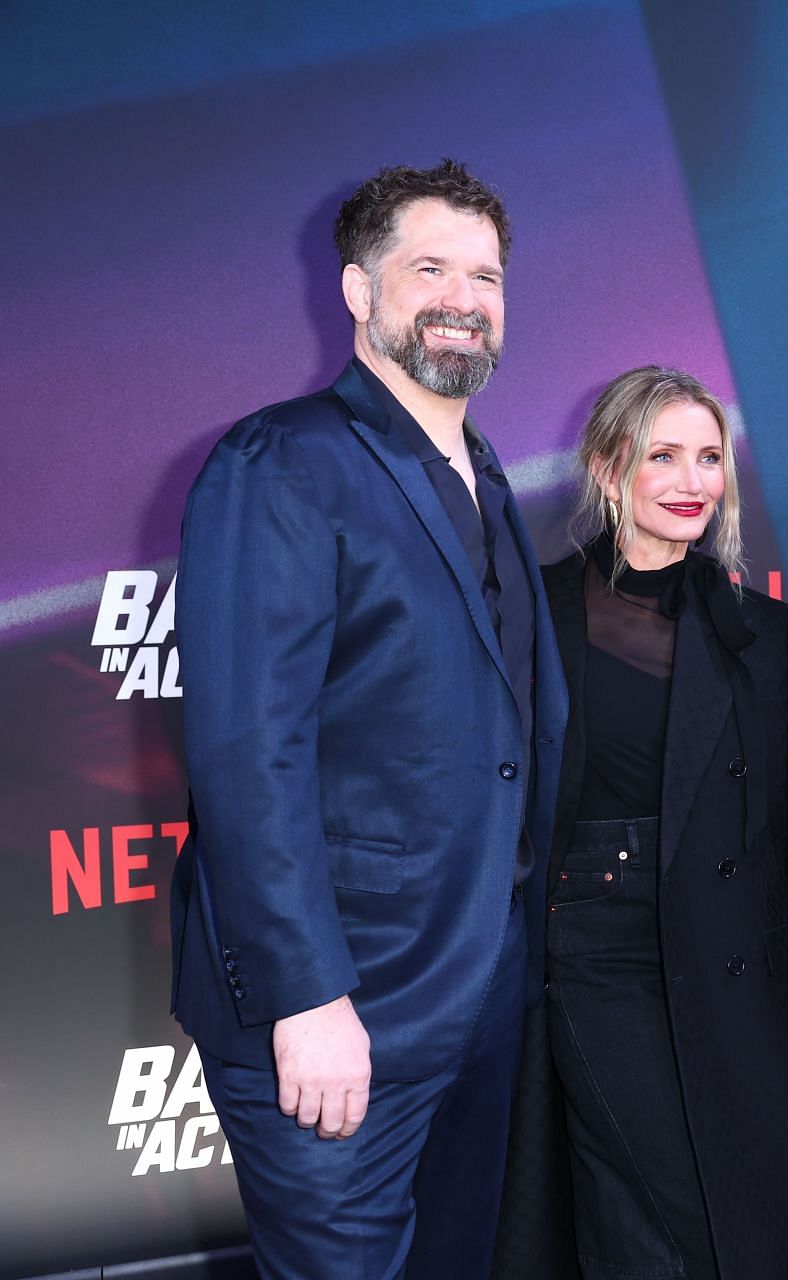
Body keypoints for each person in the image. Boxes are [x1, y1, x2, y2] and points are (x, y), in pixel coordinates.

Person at [171, 160, 565, 1277]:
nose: (463, 295)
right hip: (343, 1008)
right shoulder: (282, 459)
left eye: (485, 274)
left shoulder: (486, 476)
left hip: (482, 990)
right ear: (357, 291)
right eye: (429, 266)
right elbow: (251, 750)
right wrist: (306, 997)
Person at [494, 367, 788, 1280]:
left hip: (730, 961)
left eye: (709, 457)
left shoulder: (761, 630)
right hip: (592, 958)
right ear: (607, 468)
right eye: (663, 456)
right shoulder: (532, 615)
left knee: (772, 1220)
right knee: (655, 1214)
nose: (692, 481)